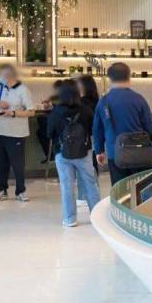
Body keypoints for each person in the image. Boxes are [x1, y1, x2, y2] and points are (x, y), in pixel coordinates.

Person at [92, 62, 152, 185]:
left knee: (119, 189)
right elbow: (149, 125)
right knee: (141, 187)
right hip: (140, 152)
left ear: (110, 79)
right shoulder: (138, 99)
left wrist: (99, 150)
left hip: (115, 153)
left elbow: (97, 129)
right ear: (129, 77)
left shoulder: (104, 101)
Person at [47, 83, 100, 227]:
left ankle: (70, 219)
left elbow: (49, 133)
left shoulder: (56, 112)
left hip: (62, 154)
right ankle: (97, 217)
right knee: (90, 184)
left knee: (67, 186)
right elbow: (93, 129)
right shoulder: (86, 110)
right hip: (84, 152)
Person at [0, 64, 35, 202]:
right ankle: (1, 190)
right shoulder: (0, 88)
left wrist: (13, 113)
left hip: (16, 134)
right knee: (0, 163)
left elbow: (31, 111)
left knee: (17, 164)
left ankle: (20, 191)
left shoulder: (23, 90)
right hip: (0, 131)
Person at [76, 74, 100, 174]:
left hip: (84, 137)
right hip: (95, 136)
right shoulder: (98, 101)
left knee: (86, 164)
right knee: (93, 162)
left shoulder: (81, 103)